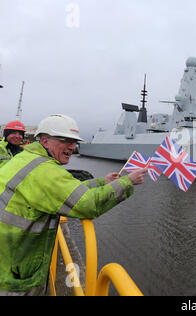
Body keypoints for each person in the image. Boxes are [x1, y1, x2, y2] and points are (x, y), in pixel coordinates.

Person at [0, 114, 148, 296]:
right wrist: (127, 182)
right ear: (45, 141)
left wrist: (103, 182)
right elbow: (88, 204)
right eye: (65, 140)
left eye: (74, 142)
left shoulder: (27, 158)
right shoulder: (45, 171)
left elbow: (64, 191)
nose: (72, 147)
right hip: (12, 272)